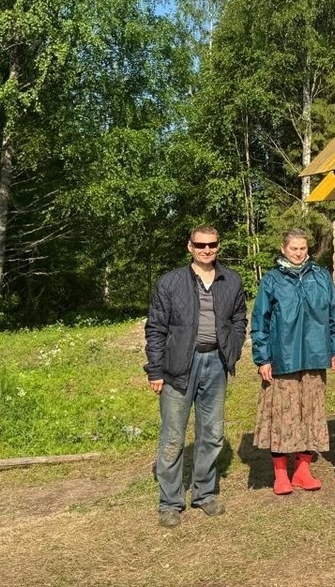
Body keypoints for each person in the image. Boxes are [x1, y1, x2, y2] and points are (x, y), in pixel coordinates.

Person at [145, 225, 248, 527]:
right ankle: (170, 502)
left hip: (216, 362)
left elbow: (239, 318)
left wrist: (234, 347)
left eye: (212, 245)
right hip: (178, 367)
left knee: (213, 433)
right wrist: (155, 370)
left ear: (218, 246)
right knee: (173, 437)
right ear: (189, 246)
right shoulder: (171, 283)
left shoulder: (231, 281)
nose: (206, 250)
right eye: (200, 245)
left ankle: (204, 493)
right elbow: (156, 329)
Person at [251, 229, 335, 496]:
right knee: (282, 416)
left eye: (303, 248)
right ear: (283, 249)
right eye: (294, 248)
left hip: (315, 355)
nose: (299, 253)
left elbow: (333, 312)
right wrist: (263, 358)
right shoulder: (271, 281)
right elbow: (260, 322)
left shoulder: (321, 276)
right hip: (283, 357)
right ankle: (280, 473)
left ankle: (303, 470)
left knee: (311, 413)